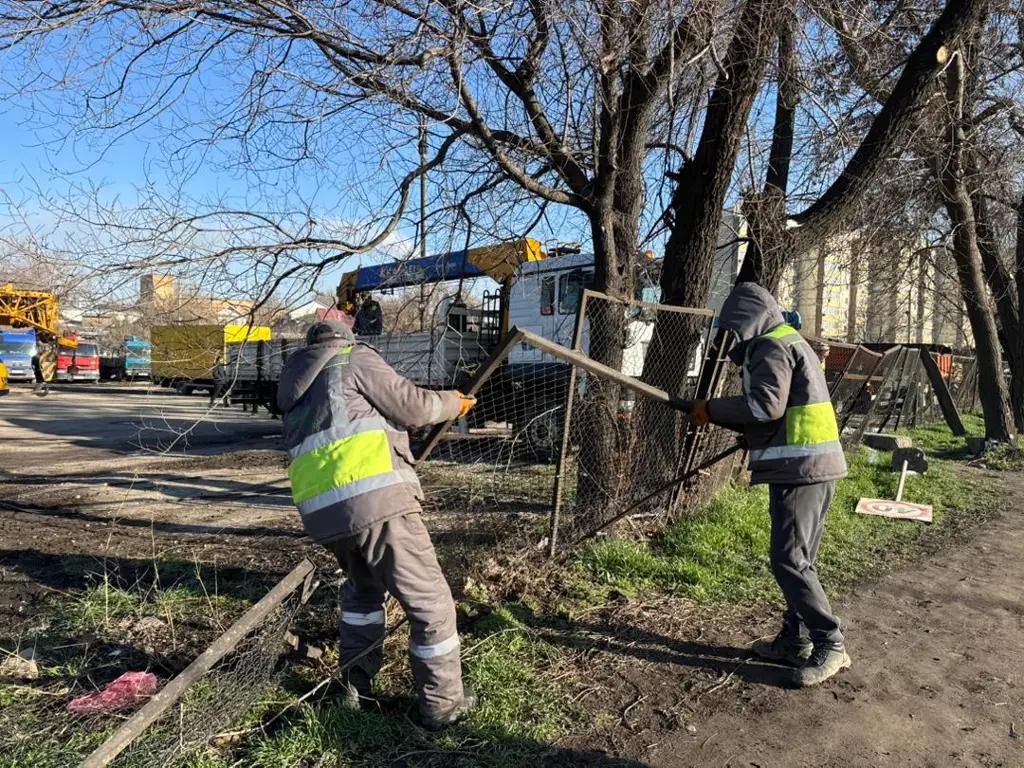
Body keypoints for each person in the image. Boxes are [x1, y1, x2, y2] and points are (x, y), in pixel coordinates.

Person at [277, 320, 478, 728]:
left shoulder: (294, 385)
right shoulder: (354, 360)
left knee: (363, 596)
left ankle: (355, 687)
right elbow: (415, 406)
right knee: (432, 605)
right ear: (346, 340)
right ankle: (443, 707)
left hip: (326, 515)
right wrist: (454, 403)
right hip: (377, 503)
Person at [692, 283, 850, 687]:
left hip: (801, 468)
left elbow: (764, 406)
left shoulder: (770, 347)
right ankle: (794, 640)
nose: (732, 337)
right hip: (811, 465)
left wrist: (709, 409)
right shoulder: (788, 340)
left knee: (789, 560)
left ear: (748, 319)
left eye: (734, 327)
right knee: (799, 559)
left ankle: (829, 643)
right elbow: (778, 410)